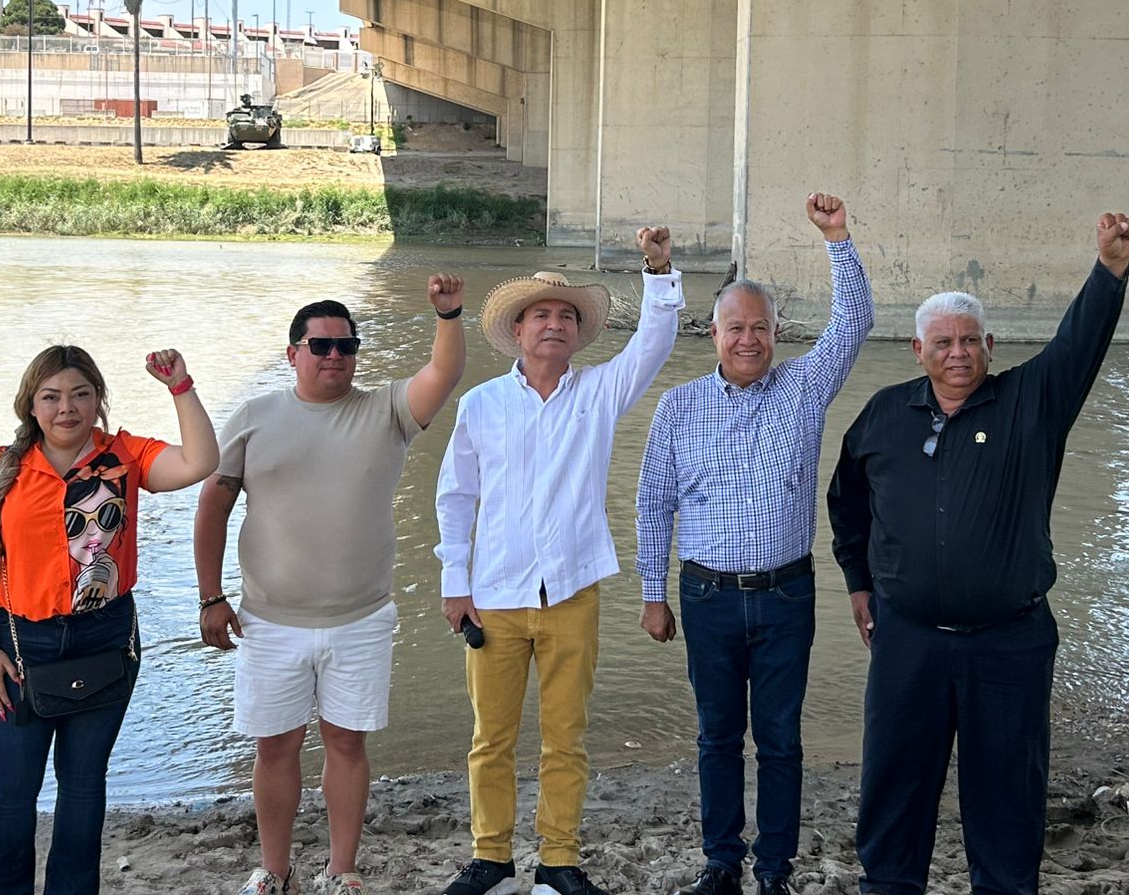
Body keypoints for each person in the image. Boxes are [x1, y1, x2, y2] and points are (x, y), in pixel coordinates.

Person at [826, 213, 1129, 895]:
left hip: (1009, 644)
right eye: (943, 342)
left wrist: (1109, 267)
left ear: (990, 345)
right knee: (895, 785)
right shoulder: (882, 415)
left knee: (1006, 793)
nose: (958, 352)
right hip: (908, 642)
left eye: (970, 340)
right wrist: (858, 581)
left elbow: (1078, 345)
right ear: (917, 349)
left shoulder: (1033, 403)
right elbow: (847, 503)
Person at [195, 276, 467, 895]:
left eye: (347, 346)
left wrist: (448, 314)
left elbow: (443, 374)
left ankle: (342, 871)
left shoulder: (388, 411)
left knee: (347, 742)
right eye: (321, 347)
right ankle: (274, 868)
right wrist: (211, 596)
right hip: (268, 618)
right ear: (292, 353)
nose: (336, 357)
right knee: (276, 746)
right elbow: (212, 505)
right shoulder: (255, 417)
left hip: (362, 618)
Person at [634, 195, 872, 895]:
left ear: (776, 332)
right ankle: (720, 862)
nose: (748, 339)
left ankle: (773, 869)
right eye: (735, 327)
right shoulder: (678, 406)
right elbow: (653, 505)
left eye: (760, 327)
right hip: (705, 596)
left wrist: (838, 239)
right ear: (712, 332)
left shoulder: (804, 388)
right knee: (715, 739)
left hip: (786, 595)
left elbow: (855, 323)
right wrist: (652, 594)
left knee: (780, 741)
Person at [435, 228, 682, 895]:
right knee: (492, 736)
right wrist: (454, 584)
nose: (554, 323)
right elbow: (456, 497)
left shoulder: (601, 394)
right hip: (494, 596)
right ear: (517, 331)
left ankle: (559, 861)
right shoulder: (480, 405)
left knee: (566, 737)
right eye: (540, 314)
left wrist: (658, 270)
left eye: (566, 315)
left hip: (573, 591)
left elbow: (654, 344)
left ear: (578, 334)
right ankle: (491, 856)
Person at [0, 343, 218, 895]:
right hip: (19, 645)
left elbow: (200, 462)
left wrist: (181, 386)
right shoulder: (6, 467)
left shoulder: (123, 458)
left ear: (98, 400)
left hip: (104, 639)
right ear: (31, 405)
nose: (65, 408)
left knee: (81, 784)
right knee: (10, 789)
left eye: (80, 394)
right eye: (50, 397)